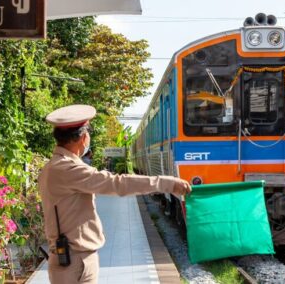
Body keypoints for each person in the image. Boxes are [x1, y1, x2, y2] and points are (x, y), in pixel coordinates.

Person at [38, 104, 191, 283]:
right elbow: (116, 183)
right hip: (76, 262)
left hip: (70, 258)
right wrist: (166, 183)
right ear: (83, 137)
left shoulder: (53, 166)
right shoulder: (67, 169)